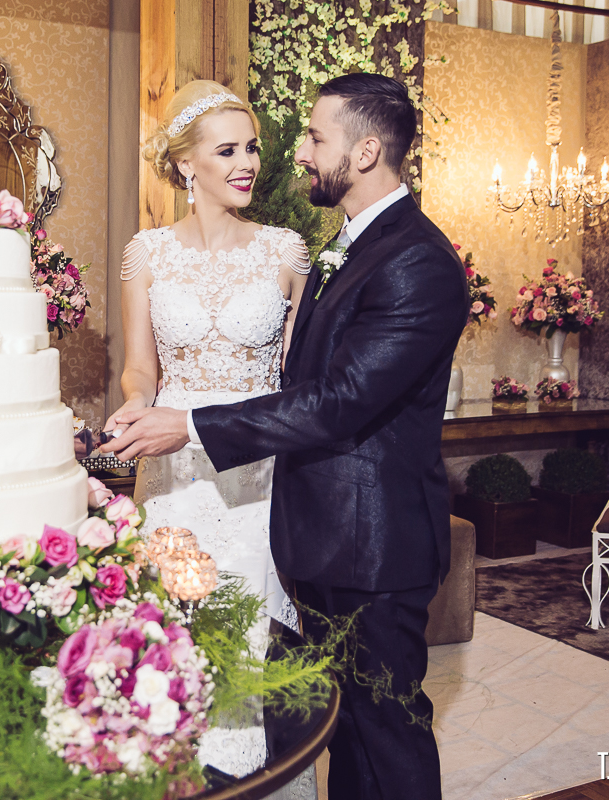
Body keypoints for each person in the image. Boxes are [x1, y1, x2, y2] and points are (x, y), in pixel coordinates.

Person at [104, 73, 470, 800]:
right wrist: (145, 405)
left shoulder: (414, 261)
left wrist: (192, 423)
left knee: (386, 728)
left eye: (312, 137)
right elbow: (302, 378)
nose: (292, 153)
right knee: (343, 722)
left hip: (371, 538)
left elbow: (336, 401)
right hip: (319, 523)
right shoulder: (351, 242)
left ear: (365, 151)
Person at [103, 79, 313, 791]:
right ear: (187, 165)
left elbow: (300, 380)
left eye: (251, 147)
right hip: (174, 473)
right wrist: (133, 409)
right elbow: (139, 369)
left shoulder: (288, 252)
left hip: (260, 473)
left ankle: (256, 776)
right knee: (177, 629)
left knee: (251, 631)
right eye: (227, 150)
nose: (247, 162)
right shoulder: (147, 254)